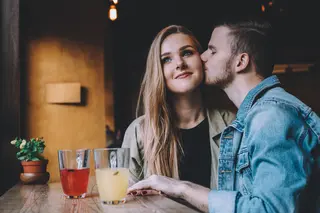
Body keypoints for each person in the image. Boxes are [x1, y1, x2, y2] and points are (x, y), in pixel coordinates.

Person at [127, 18, 320, 213]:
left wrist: (181, 188)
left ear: (241, 61)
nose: (203, 57)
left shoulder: (265, 118)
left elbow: (268, 209)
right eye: (166, 59)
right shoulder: (256, 118)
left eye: (211, 51)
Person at [122, 25, 235, 190]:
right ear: (158, 71)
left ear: (203, 59)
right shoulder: (139, 132)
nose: (180, 64)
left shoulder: (233, 125)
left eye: (187, 53)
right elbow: (127, 201)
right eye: (166, 59)